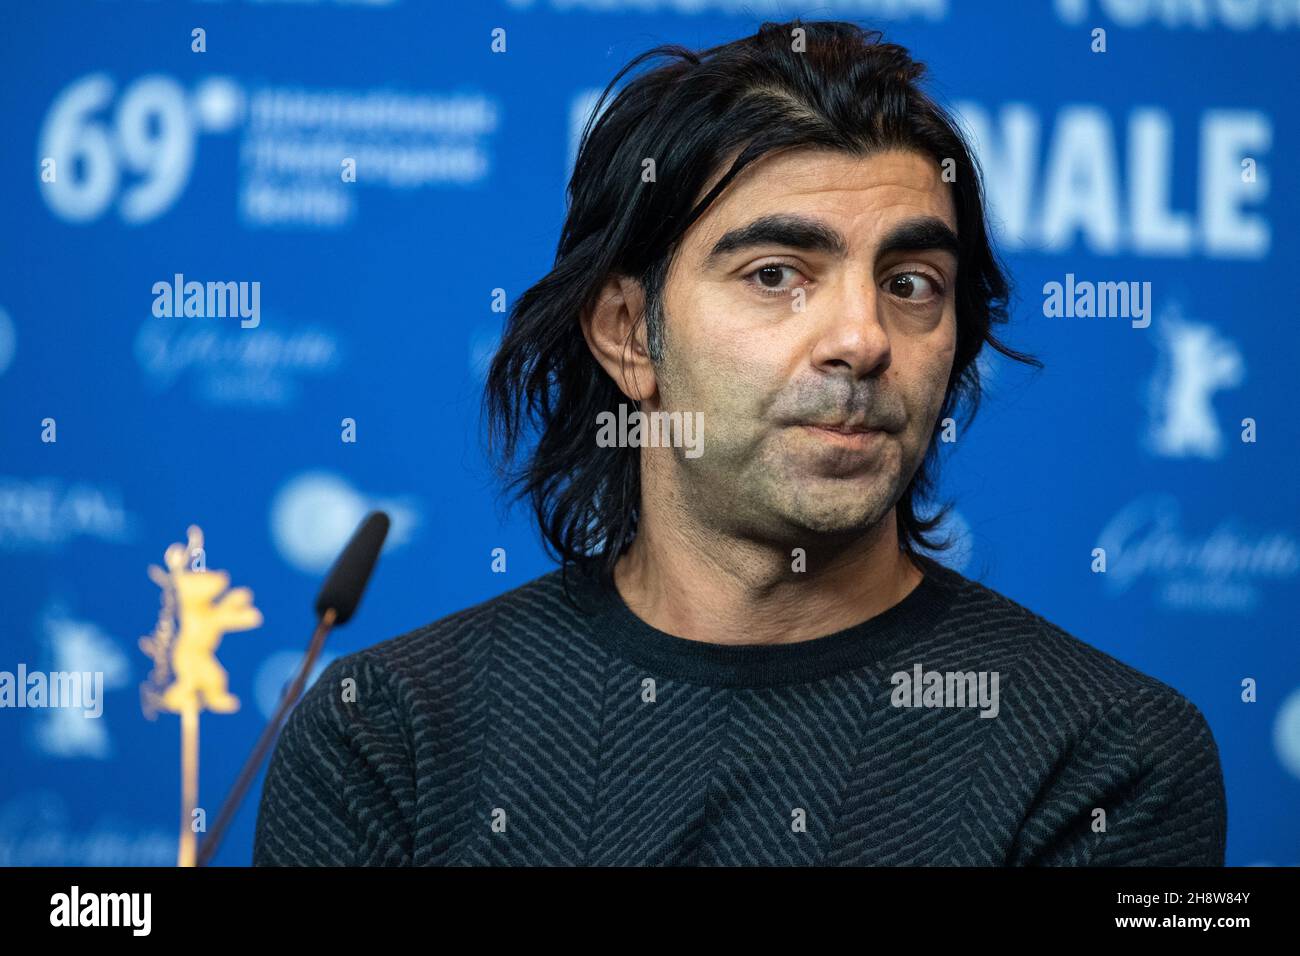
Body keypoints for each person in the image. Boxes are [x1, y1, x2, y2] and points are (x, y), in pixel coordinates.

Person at [253, 20, 1226, 866]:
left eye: (911, 282)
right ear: (631, 334)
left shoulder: (1105, 752)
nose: (861, 338)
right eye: (775, 274)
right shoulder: (389, 735)